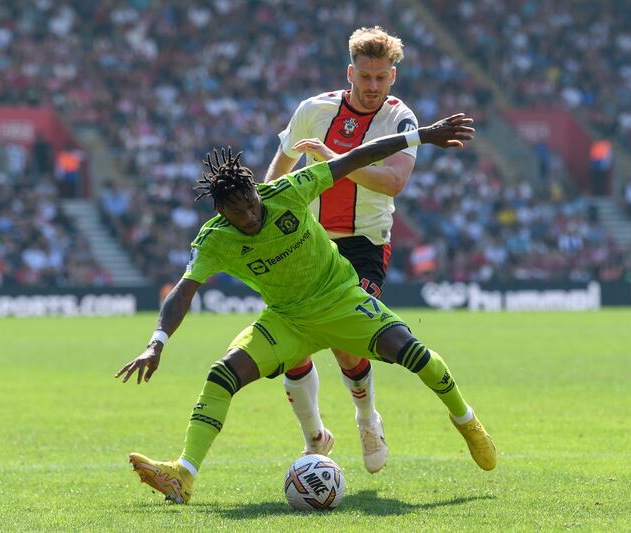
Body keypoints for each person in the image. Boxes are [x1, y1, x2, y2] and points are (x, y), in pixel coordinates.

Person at [116, 114, 496, 505]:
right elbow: (183, 291)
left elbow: (359, 156)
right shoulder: (215, 240)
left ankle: (466, 420)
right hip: (288, 320)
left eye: (250, 205)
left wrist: (422, 136)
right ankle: (184, 475)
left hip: (342, 302)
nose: (249, 217)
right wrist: (156, 342)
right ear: (221, 214)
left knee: (416, 355)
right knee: (221, 375)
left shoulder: (290, 190)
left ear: (257, 191)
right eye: (237, 214)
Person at [262, 26, 419, 473]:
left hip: (364, 243)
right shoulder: (314, 110)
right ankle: (315, 435)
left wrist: (336, 159)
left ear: (393, 77)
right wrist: (267, 213)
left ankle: (367, 418)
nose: (371, 87)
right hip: (306, 241)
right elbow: (283, 164)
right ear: (350, 72)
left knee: (347, 340)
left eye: (380, 78)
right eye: (364, 77)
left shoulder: (400, 119)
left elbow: (394, 181)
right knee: (292, 341)